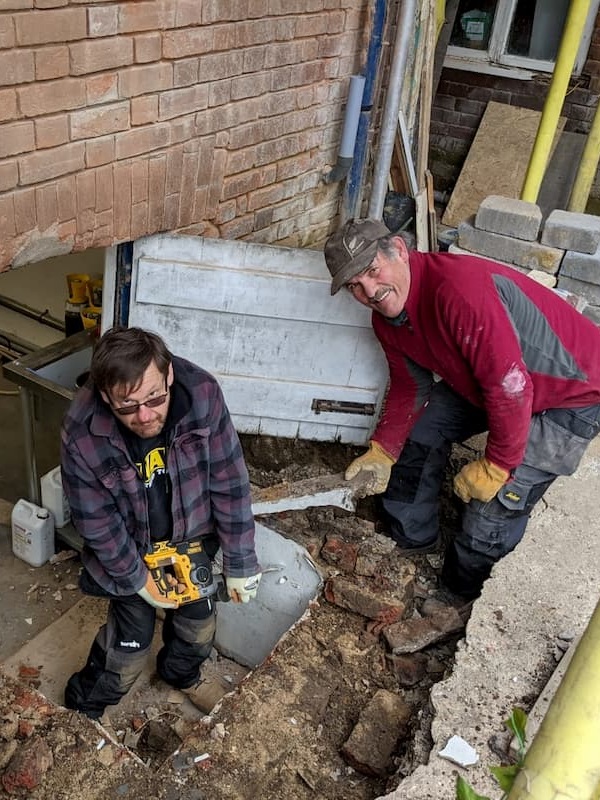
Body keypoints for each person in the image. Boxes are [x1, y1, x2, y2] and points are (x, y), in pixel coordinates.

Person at [324, 218, 600, 600]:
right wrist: (384, 448)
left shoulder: (456, 291)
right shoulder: (388, 320)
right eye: (356, 285)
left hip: (572, 392)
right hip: (491, 380)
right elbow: (410, 386)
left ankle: (459, 597)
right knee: (418, 434)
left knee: (494, 505)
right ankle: (411, 539)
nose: (370, 290)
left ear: (400, 252)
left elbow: (511, 387)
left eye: (373, 271)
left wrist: (497, 465)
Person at [61, 326, 261, 720]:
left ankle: (181, 675)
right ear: (104, 395)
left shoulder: (202, 394)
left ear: (168, 374)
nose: (145, 415)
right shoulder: (83, 430)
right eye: (128, 406)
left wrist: (240, 560)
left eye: (154, 397)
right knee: (127, 650)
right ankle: (84, 710)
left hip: (192, 541)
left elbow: (229, 480)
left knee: (198, 627)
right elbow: (96, 520)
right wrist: (137, 579)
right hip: (131, 549)